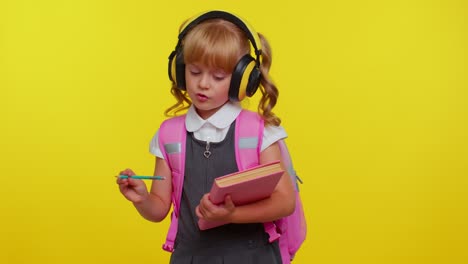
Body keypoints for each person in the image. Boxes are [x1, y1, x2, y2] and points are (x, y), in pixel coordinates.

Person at [116, 10, 296, 264]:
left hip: (253, 257)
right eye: (195, 71)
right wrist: (142, 198)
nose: (203, 84)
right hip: (192, 257)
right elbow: (158, 209)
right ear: (179, 70)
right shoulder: (169, 135)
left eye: (218, 76)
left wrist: (232, 215)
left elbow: (285, 202)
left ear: (243, 80)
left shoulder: (258, 132)